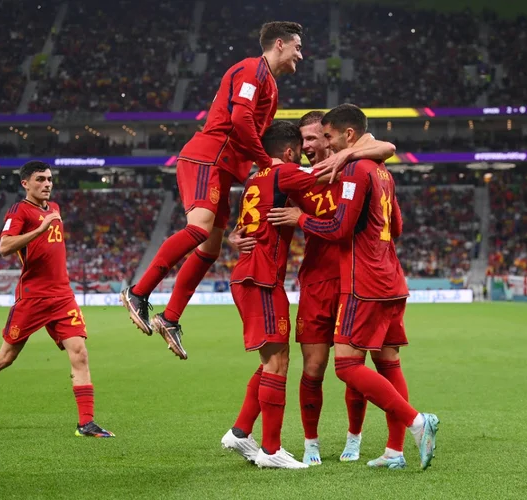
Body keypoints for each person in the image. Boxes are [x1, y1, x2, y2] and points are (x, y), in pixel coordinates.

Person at [120, 21, 304, 359]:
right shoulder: (252, 70)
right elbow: (239, 121)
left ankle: (171, 317)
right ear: (279, 44)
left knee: (210, 249)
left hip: (225, 169)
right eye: (297, 47)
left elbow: (252, 132)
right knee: (198, 229)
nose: (300, 55)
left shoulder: (271, 86)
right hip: (209, 156)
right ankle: (138, 292)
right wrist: (266, 162)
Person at [269, 104, 438, 470]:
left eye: (319, 137)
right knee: (356, 365)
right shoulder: (319, 173)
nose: (310, 145)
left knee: (349, 367)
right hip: (346, 279)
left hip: (359, 281)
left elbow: (344, 225)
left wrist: (304, 219)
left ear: (340, 138)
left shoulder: (354, 169)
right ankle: (390, 450)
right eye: (305, 140)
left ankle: (397, 427)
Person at [0, 161, 113, 438]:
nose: (47, 184)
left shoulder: (55, 208)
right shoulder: (20, 210)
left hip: (62, 296)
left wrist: (47, 224)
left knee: (80, 353)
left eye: (49, 179)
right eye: (40, 179)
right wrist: (40, 229)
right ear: (26, 183)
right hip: (32, 298)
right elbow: (3, 247)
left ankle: (85, 423)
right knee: (6, 357)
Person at [219, 121, 320, 469]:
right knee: (277, 362)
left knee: (272, 361)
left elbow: (243, 227)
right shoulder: (286, 173)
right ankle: (271, 450)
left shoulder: (255, 179)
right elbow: (326, 177)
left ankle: (241, 431)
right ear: (289, 152)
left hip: (251, 274)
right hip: (260, 278)